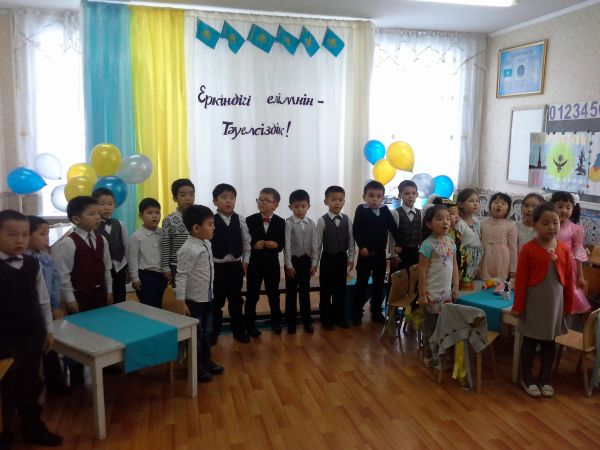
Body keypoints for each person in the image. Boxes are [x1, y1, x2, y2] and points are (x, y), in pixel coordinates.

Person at [0, 210, 63, 448]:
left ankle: (33, 427)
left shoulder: (32, 263)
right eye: (11, 234)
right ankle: (4, 431)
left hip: (31, 335)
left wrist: (48, 330)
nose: (20, 240)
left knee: (30, 384)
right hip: (3, 340)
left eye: (25, 235)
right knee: (5, 388)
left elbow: (43, 300)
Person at [512, 202, 575, 398]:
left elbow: (569, 280)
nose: (551, 227)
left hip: (555, 305)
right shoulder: (528, 249)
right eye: (545, 223)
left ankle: (545, 379)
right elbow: (521, 281)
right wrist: (518, 306)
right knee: (530, 341)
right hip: (533, 303)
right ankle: (527, 378)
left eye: (555, 222)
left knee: (549, 342)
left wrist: (569, 304)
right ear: (535, 225)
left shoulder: (564, 249)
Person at [53, 196, 113, 386]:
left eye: (98, 214)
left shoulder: (101, 239)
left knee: (102, 330)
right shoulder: (68, 243)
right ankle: (76, 372)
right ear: (76, 219)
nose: (98, 217)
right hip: (80, 296)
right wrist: (70, 299)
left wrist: (109, 289)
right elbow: (63, 275)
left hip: (99, 294)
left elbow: (107, 267)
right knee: (77, 335)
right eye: (92, 214)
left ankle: (104, 365)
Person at [174, 205, 223, 383]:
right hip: (194, 301)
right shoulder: (188, 249)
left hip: (207, 297)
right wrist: (181, 302)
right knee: (196, 334)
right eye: (210, 224)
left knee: (207, 333)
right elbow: (181, 276)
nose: (213, 228)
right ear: (196, 228)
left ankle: (206, 360)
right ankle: (196, 366)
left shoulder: (206, 243)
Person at [25, 216, 68, 395]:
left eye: (47, 233)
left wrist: (55, 305)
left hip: (46, 309)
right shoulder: (21, 260)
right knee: (30, 352)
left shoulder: (47, 258)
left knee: (49, 345)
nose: (47, 238)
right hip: (27, 313)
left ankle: (55, 381)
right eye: (42, 234)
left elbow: (55, 283)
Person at [352, 180, 402, 325]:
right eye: (371, 196)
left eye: (378, 196)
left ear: (383, 198)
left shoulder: (385, 210)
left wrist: (399, 244)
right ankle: (356, 313)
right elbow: (356, 230)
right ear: (364, 196)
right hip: (365, 255)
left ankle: (376, 311)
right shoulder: (361, 210)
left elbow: (393, 228)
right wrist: (362, 246)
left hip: (380, 255)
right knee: (361, 284)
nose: (375, 199)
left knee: (379, 285)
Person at [417, 204, 459, 369]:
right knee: (430, 327)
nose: (445, 222)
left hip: (446, 294)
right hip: (431, 294)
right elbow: (422, 271)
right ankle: (430, 357)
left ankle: (440, 355)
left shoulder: (451, 242)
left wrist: (456, 286)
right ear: (429, 223)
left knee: (443, 326)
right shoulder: (427, 245)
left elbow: (455, 266)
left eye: (447, 218)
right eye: (440, 219)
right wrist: (422, 294)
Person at [210, 183, 251, 344]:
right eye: (224, 197)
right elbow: (207, 244)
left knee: (236, 300)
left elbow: (246, 242)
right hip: (217, 268)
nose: (228, 201)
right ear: (215, 201)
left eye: (232, 198)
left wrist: (245, 261)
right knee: (217, 302)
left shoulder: (240, 219)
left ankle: (238, 331)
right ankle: (214, 332)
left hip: (235, 267)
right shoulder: (211, 220)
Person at [245, 188, 286, 337]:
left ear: (275, 205)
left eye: (266, 200)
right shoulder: (249, 220)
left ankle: (276, 321)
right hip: (254, 264)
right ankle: (249, 324)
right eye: (260, 200)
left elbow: (283, 243)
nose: (261, 202)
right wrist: (253, 245)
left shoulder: (281, 222)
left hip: (272, 264)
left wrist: (276, 245)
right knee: (252, 294)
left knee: (273, 294)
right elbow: (245, 241)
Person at [315, 186, 355, 330]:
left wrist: (351, 257)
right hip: (327, 258)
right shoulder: (322, 220)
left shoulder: (347, 220)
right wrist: (315, 263)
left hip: (342, 258)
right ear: (326, 201)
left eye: (340, 200)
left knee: (340, 289)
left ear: (344, 202)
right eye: (333, 200)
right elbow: (318, 244)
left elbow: (351, 240)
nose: (337, 203)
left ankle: (339, 317)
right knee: (326, 289)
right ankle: (326, 318)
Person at [284, 189, 318, 334]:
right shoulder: (288, 223)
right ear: (290, 207)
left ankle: (307, 321)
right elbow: (287, 245)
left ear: (308, 206)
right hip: (293, 262)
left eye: (303, 206)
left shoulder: (312, 223)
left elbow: (315, 244)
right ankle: (291, 323)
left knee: (305, 292)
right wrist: (288, 265)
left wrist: (314, 263)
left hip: (306, 262)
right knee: (291, 293)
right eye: (296, 206)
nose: (300, 209)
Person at [551, 191, 591, 313]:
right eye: (560, 206)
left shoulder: (575, 229)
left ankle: (563, 317)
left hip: (568, 267)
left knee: (566, 294)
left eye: (568, 207)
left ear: (573, 209)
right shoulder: (547, 225)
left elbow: (578, 253)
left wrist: (580, 276)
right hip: (549, 264)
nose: (564, 210)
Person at [128, 198, 167, 309]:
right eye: (150, 213)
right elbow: (132, 259)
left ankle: (158, 320)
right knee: (147, 305)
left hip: (160, 275)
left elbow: (166, 253)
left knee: (158, 304)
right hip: (145, 276)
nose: (154, 216)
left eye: (157, 213)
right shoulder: (137, 236)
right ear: (141, 216)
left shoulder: (163, 233)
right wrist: (135, 278)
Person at [93, 188, 128, 303]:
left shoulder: (120, 224)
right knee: (103, 297)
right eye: (102, 204)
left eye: (110, 204)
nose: (107, 207)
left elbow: (126, 245)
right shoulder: (91, 226)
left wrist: (128, 268)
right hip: (101, 269)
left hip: (119, 266)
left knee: (120, 297)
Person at [161, 179, 195, 286]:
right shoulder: (169, 220)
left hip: (197, 264)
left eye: (191, 194)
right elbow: (165, 245)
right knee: (181, 293)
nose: (188, 198)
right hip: (177, 266)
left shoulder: (200, 217)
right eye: (183, 195)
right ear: (175, 198)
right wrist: (165, 267)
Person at [479, 192, 517, 281]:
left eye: (503, 204)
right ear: (490, 206)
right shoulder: (482, 224)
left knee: (500, 283)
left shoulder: (511, 225)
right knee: (484, 283)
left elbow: (513, 249)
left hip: (502, 260)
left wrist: (513, 269)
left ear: (508, 209)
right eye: (495, 202)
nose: (499, 205)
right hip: (485, 258)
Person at [390, 180, 422, 273]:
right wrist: (393, 255)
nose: (410, 196)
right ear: (400, 195)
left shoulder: (420, 213)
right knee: (399, 278)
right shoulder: (396, 213)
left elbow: (421, 233)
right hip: (400, 251)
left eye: (413, 193)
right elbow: (392, 236)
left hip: (415, 251)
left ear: (417, 195)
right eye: (407, 193)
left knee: (414, 277)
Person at [454, 188, 483, 280]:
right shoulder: (459, 223)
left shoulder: (477, 221)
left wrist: (480, 265)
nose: (475, 203)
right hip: (464, 260)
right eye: (471, 201)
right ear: (461, 204)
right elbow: (458, 246)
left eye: (477, 201)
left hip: (476, 262)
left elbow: (479, 241)